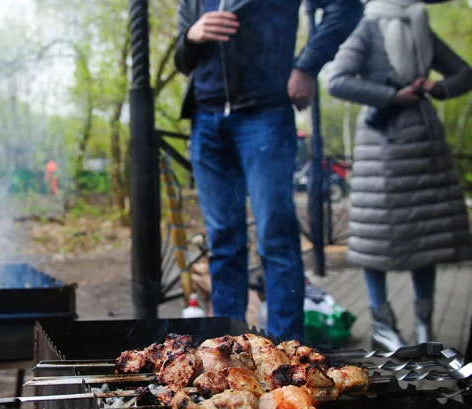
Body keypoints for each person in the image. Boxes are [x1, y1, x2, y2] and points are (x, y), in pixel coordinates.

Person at [174, 0, 364, 341]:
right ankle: (227, 350)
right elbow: (182, 61)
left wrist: (306, 66)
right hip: (206, 120)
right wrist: (191, 36)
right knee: (223, 241)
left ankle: (285, 351)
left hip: (264, 114)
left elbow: (346, 7)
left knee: (276, 237)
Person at [326, 0, 472, 351]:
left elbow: (465, 73)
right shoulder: (368, 26)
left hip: (424, 148)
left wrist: (437, 88)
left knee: (425, 239)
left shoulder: (419, 26)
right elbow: (337, 79)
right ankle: (383, 325)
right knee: (376, 238)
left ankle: (425, 326)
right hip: (383, 148)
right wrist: (391, 95)